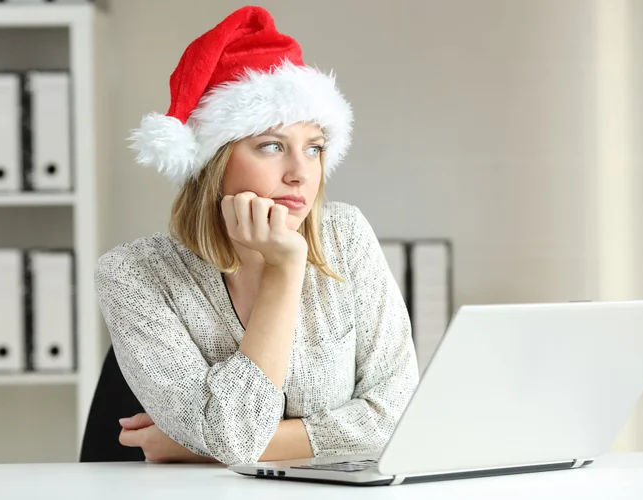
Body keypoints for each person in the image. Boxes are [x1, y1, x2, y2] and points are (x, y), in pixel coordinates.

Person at [94, 5, 419, 466]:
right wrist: (285, 272)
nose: (300, 174)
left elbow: (399, 418)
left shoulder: (345, 235)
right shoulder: (133, 275)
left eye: (314, 148)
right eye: (271, 146)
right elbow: (236, 438)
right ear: (214, 160)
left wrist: (197, 447)